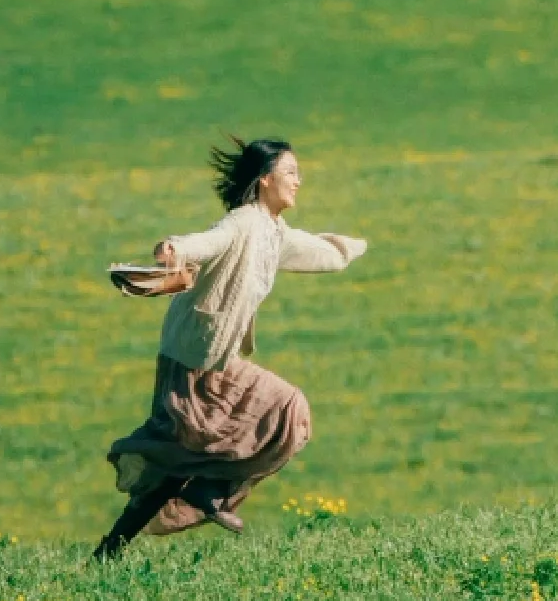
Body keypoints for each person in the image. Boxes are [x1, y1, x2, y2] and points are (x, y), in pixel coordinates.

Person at [93, 137, 367, 560]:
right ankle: (177, 507)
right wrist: (175, 248)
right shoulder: (243, 222)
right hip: (192, 356)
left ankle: (181, 505)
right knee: (208, 444)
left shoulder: (276, 234)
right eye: (291, 172)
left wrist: (351, 248)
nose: (299, 180)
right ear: (263, 181)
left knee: (282, 416)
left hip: (219, 359)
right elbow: (209, 242)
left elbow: (321, 254)